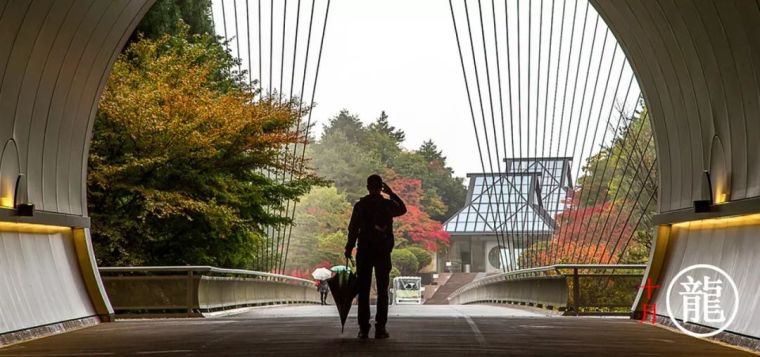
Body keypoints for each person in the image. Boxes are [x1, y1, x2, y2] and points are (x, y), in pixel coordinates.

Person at [345, 174, 406, 339]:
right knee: (382, 290)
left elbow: (353, 229)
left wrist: (349, 247)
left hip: (364, 250)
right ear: (381, 187)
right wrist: (391, 193)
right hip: (382, 250)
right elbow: (403, 209)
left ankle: (363, 328)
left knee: (363, 290)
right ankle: (380, 327)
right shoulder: (387, 205)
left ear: (367, 187)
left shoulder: (361, 205)